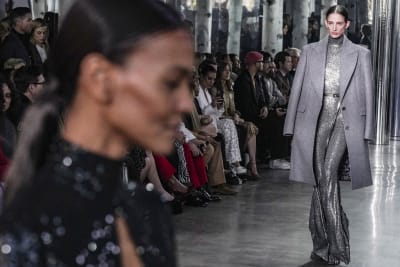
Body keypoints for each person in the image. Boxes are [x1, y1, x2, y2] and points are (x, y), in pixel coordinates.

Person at [0, 0, 194, 266]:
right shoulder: (44, 216)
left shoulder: (146, 207)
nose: (185, 103)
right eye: (169, 82)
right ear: (100, 78)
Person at [283, 5, 375, 265]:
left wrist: (368, 130)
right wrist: (290, 125)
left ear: (347, 25)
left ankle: (337, 247)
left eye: (339, 23)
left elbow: (368, 92)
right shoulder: (310, 51)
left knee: (326, 173)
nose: (334, 27)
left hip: (346, 120)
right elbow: (298, 87)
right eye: (330, 22)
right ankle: (321, 244)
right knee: (319, 178)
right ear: (326, 23)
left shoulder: (361, 54)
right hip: (316, 117)